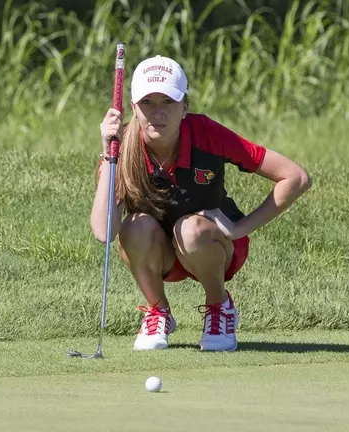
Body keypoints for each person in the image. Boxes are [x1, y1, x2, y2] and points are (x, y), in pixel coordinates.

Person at [91, 54, 312, 352]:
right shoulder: (124, 145)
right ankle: (158, 311)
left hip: (211, 244)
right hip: (158, 251)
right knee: (134, 227)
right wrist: (108, 155)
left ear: (185, 106)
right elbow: (105, 232)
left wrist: (238, 228)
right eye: (147, 102)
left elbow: (295, 177)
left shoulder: (207, 134)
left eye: (168, 102)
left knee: (190, 230)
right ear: (133, 108)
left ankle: (219, 307)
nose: (157, 113)